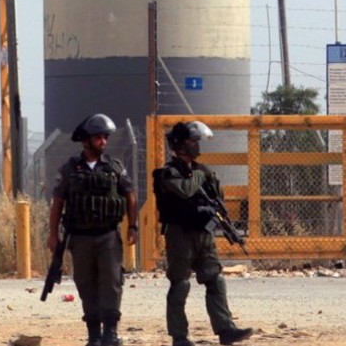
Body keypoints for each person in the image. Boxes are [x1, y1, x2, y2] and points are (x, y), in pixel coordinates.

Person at [153, 121, 253, 346]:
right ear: (180, 145)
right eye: (193, 141)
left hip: (203, 234)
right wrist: (200, 174)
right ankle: (179, 337)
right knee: (180, 284)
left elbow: (219, 197)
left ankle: (225, 329)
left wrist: (208, 176)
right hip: (180, 235)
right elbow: (185, 190)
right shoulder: (166, 173)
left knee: (215, 280)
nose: (197, 146)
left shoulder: (202, 170)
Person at [49, 113, 138, 346]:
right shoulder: (70, 169)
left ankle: (110, 332)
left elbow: (130, 196)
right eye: (98, 138)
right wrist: (52, 235)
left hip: (108, 235)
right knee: (85, 283)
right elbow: (57, 202)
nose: (103, 142)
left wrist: (133, 226)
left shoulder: (114, 167)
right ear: (86, 140)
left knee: (111, 282)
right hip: (80, 238)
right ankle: (93, 334)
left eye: (105, 138)